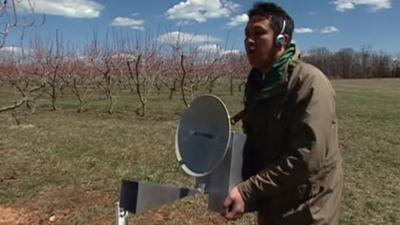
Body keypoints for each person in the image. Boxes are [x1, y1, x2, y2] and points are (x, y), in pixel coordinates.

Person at [222, 2, 343, 225]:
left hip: (307, 211)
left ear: (282, 40)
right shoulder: (258, 82)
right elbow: (257, 142)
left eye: (259, 33)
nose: (249, 41)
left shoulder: (308, 83)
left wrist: (247, 191)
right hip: (273, 205)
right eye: (247, 34)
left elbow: (307, 158)